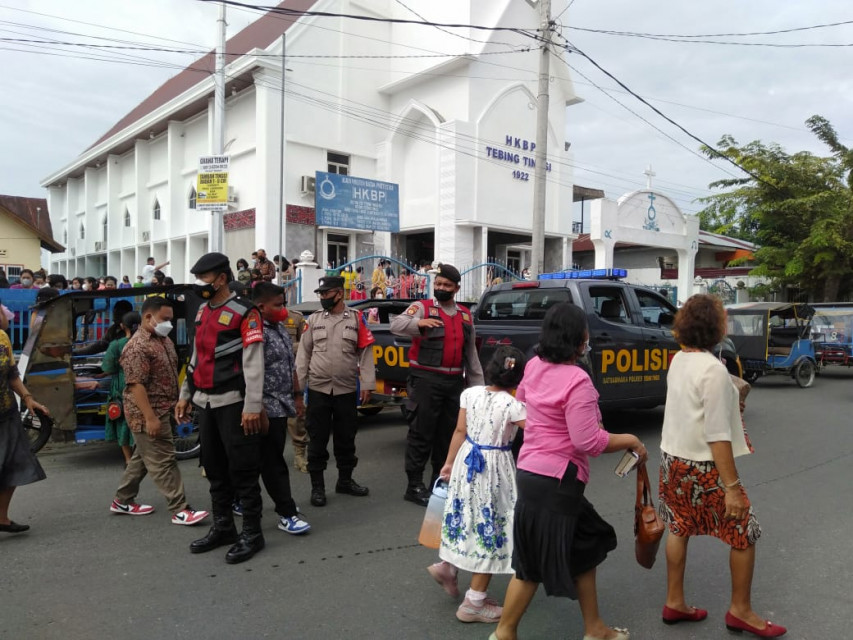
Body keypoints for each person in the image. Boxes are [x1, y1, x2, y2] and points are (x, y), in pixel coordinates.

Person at [493, 302, 648, 640]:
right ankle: (504, 633)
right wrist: (630, 440)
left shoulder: (533, 365)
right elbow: (587, 440)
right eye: (586, 333)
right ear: (579, 339)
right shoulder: (577, 380)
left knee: (586, 546)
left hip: (533, 474)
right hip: (557, 482)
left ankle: (595, 629)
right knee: (531, 567)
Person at [658, 295, 786, 637]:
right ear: (716, 327)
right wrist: (732, 489)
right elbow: (717, 435)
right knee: (745, 531)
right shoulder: (713, 370)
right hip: (703, 466)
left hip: (672, 460)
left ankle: (674, 601)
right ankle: (740, 610)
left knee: (679, 527)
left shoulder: (679, 360)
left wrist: (731, 386)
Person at [176, 252, 267, 564]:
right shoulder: (202, 311)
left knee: (242, 469)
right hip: (205, 401)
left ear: (222, 278)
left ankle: (253, 534)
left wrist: (253, 405)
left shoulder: (246, 312)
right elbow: (195, 356)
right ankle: (224, 527)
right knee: (213, 468)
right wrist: (185, 394)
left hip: (234, 402)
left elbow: (253, 361)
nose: (200, 284)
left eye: (205, 279)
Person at [428, 347, 527, 624]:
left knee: (465, 516)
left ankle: (447, 565)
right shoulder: (513, 405)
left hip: (465, 461)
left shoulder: (469, 394)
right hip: (494, 469)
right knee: (492, 526)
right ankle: (474, 602)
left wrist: (448, 463)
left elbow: (460, 431)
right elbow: (538, 429)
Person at [389, 263, 485, 507]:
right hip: (426, 381)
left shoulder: (464, 315)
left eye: (447, 285)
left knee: (448, 435)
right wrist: (417, 325)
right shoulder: (422, 308)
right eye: (439, 284)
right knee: (421, 433)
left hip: (454, 382)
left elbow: (471, 356)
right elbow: (396, 326)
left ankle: (440, 481)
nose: (441, 288)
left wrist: (478, 390)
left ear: (456, 289)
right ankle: (414, 485)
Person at [110, 298, 209, 527]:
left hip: (164, 407)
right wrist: (150, 418)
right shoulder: (137, 347)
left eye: (170, 320)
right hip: (148, 412)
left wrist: (178, 402)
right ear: (148, 317)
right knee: (163, 460)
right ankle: (180, 509)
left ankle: (122, 500)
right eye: (165, 319)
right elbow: (136, 385)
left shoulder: (163, 340)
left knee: (142, 459)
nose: (169, 324)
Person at [294, 276, 375, 507]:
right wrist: (298, 391)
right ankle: (317, 488)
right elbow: (303, 356)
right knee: (317, 439)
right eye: (320, 294)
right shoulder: (313, 320)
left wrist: (368, 384)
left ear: (339, 293)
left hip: (346, 390)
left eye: (326, 293)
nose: (322, 298)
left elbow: (366, 353)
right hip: (318, 390)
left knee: (346, 438)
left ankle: (345, 481)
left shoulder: (357, 319)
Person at [252, 282, 311, 534]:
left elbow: (291, 366)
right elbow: (250, 373)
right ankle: (286, 512)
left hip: (282, 403)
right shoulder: (255, 332)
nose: (283, 309)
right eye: (278, 305)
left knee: (267, 458)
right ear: (261, 306)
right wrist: (258, 407)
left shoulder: (279, 329)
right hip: (265, 407)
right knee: (272, 461)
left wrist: (297, 396)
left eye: (284, 303)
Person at [0, 327, 49, 534]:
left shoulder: (2, 338)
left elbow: (12, 374)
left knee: (15, 464)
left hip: (7, 413)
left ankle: (1, 518)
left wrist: (28, 398)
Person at [101, 311, 140, 465]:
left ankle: (128, 459)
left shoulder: (116, 345)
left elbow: (108, 368)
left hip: (122, 385)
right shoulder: (146, 342)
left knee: (123, 421)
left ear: (122, 326)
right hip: (142, 384)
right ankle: (140, 455)